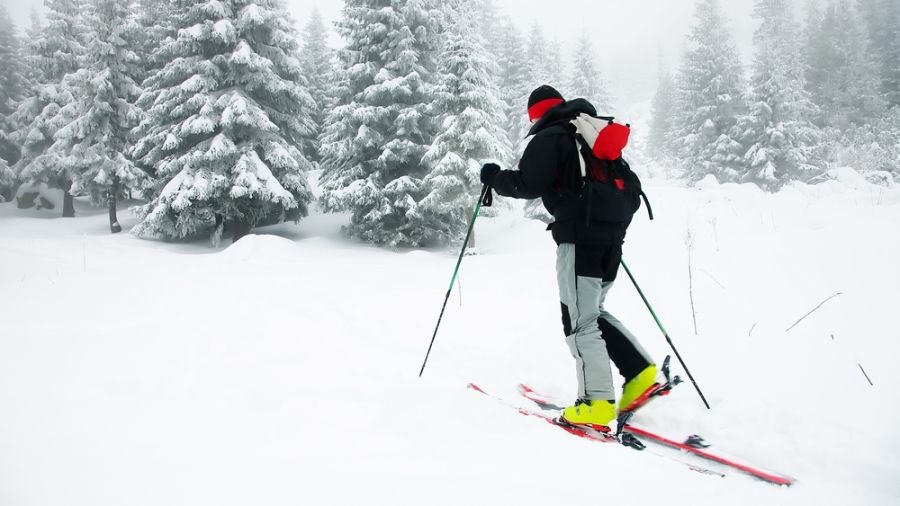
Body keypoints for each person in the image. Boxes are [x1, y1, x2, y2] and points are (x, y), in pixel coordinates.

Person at [479, 85, 657, 431]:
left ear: (537, 113)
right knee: (592, 312)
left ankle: (595, 403)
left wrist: (493, 177)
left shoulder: (551, 137)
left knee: (579, 321)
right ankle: (640, 373)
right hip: (610, 240)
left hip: (580, 240)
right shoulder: (590, 133)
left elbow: (529, 184)